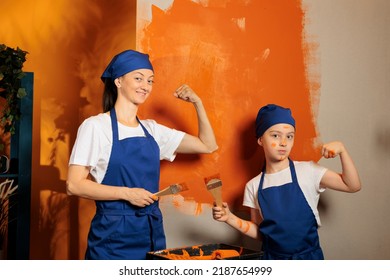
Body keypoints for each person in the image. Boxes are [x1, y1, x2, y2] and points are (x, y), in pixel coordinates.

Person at [66, 49, 218, 260]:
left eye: (150, 81)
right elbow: (74, 184)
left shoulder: (152, 130)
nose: (145, 86)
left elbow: (207, 145)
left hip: (151, 231)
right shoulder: (95, 126)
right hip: (113, 237)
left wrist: (197, 103)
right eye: (138, 78)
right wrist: (128, 193)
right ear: (118, 81)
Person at [212, 104, 361, 260]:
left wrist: (342, 150)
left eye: (289, 136)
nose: (283, 142)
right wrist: (229, 218)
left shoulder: (308, 171)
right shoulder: (254, 186)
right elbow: (260, 232)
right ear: (261, 140)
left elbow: (352, 185)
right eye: (275, 135)